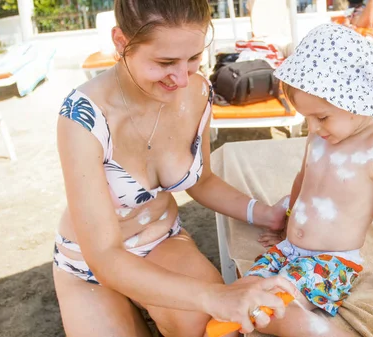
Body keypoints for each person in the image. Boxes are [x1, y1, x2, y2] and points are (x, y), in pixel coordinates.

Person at [53, 0, 300, 336]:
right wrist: (215, 295)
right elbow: (105, 257)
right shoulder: (83, 118)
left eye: (194, 58)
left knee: (218, 330)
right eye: (165, 62)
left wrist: (264, 214)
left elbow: (203, 180)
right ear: (121, 41)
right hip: (89, 264)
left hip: (159, 242)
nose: (182, 78)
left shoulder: (198, 91)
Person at [237, 24, 373, 336]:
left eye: (322, 117)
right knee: (241, 293)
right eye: (307, 119)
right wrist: (286, 227)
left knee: (268, 310)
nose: (313, 128)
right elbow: (303, 183)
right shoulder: (319, 137)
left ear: (356, 101)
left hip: (331, 263)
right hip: (289, 249)